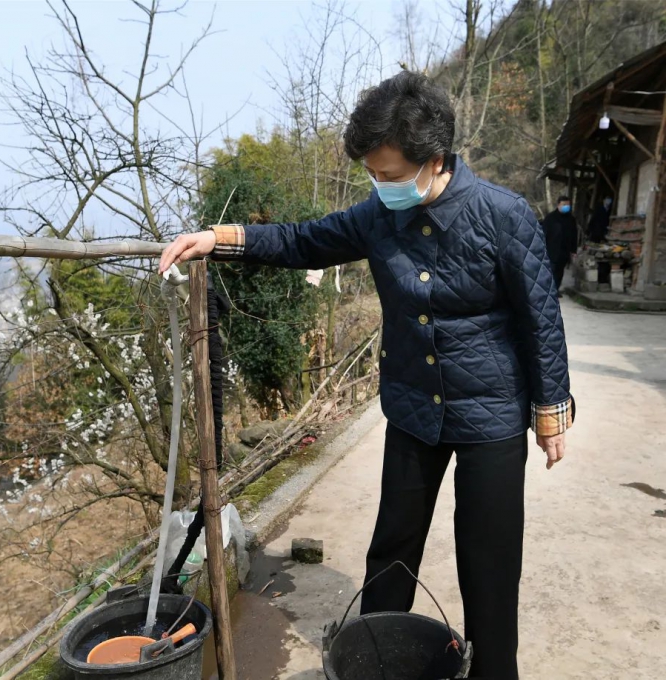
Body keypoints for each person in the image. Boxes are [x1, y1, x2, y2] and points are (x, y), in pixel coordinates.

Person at [160, 72, 574, 679]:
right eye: (372, 175)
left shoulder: (503, 215)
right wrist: (219, 238)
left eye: (390, 174)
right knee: (391, 551)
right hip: (412, 407)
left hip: (491, 413)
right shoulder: (379, 215)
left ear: (434, 161)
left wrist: (550, 411)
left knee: (488, 561)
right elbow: (305, 240)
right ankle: (375, 661)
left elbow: (542, 316)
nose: (381, 186)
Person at [542, 196, 578, 294]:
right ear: (558, 205)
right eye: (564, 204)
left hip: (564, 250)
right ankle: (549, 290)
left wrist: (573, 250)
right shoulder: (550, 218)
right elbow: (543, 234)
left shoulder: (571, 219)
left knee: (560, 271)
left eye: (568, 205)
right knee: (551, 270)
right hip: (551, 249)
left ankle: (555, 290)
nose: (566, 206)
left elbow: (574, 235)